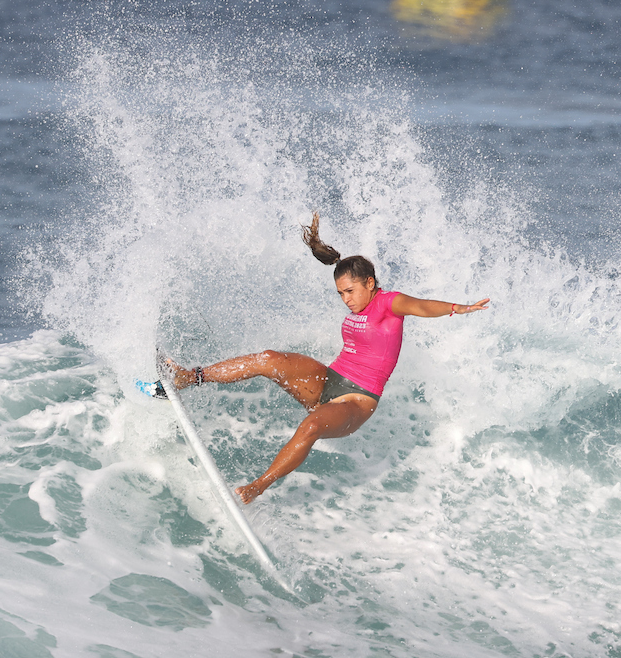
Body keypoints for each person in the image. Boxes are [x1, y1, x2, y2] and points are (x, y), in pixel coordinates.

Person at [166, 213, 489, 504]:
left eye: (350, 291)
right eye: (340, 294)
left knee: (312, 425)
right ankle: (188, 377)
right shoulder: (359, 307)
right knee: (268, 359)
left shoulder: (389, 304)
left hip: (356, 401)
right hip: (329, 382)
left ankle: (255, 488)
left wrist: (457, 308)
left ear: (370, 284)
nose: (346, 300)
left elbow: (421, 306)